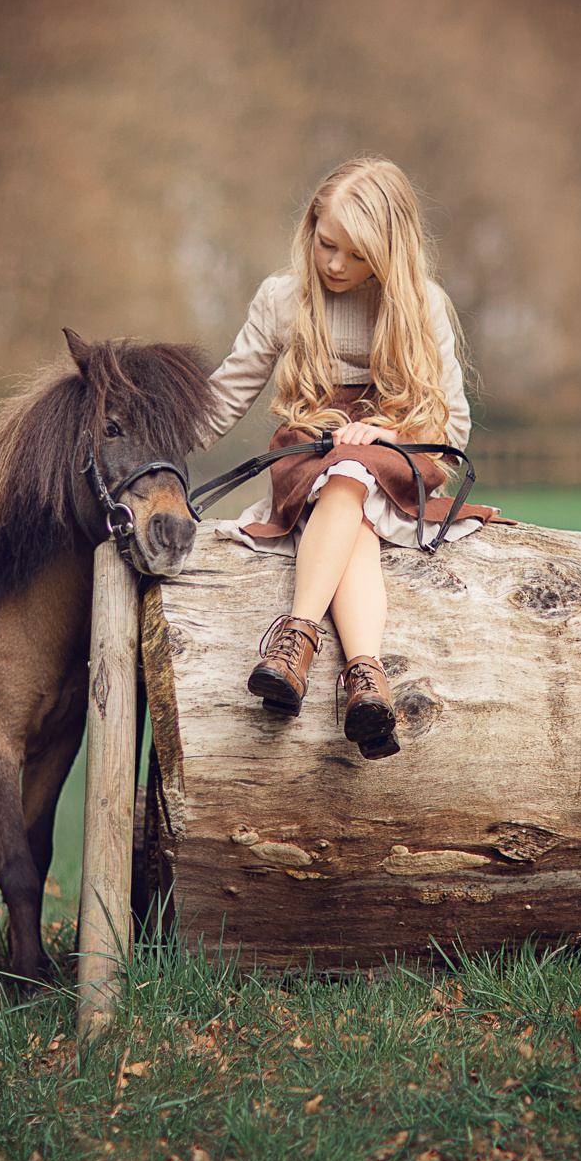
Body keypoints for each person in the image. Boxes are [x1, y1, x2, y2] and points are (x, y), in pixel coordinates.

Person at [198, 158, 501, 759]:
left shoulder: (422, 304)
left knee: (354, 474)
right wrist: (144, 432)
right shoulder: (282, 300)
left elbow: (453, 427)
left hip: (399, 460)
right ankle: (366, 680)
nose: (335, 264)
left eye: (356, 255)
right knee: (346, 490)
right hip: (311, 457)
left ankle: (295, 641)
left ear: (388, 254)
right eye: (325, 243)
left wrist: (388, 434)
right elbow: (219, 401)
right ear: (310, 227)